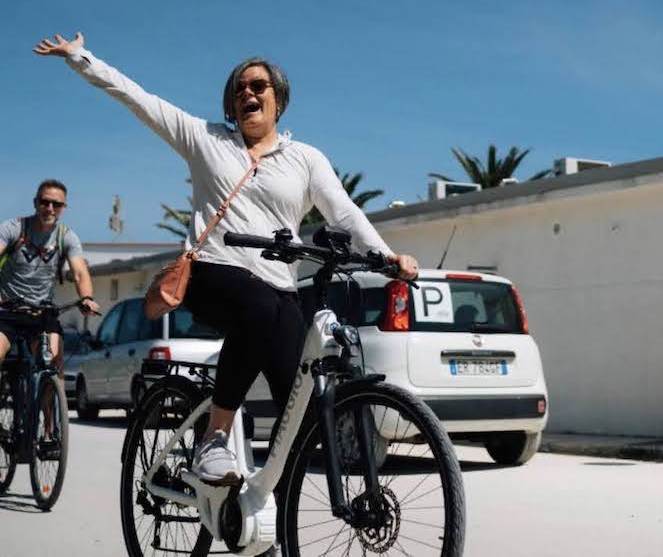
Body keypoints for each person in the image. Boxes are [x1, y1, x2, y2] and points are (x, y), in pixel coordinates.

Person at [34, 32, 420, 485]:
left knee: (298, 402)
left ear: (279, 100)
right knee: (255, 306)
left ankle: (264, 517)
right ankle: (214, 439)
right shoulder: (205, 139)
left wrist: (387, 256)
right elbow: (137, 98)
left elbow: (344, 211)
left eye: (258, 86)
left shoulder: (305, 158)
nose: (248, 93)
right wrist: (81, 58)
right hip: (213, 272)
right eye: (239, 89)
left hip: (278, 287)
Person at [0, 179, 101, 374]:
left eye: (57, 204)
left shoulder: (66, 237)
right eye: (44, 202)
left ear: (64, 207)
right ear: (35, 203)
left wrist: (87, 298)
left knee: (54, 361)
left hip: (41, 312)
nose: (50, 208)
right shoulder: (15, 228)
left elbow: (79, 273)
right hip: (7, 310)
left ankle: (52, 403)